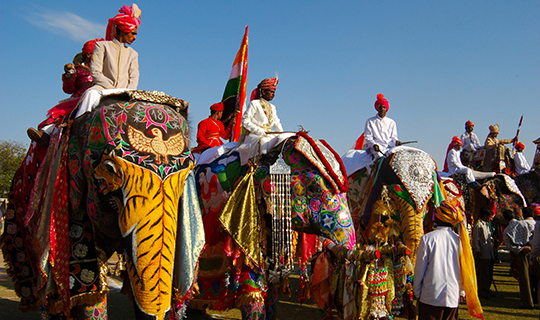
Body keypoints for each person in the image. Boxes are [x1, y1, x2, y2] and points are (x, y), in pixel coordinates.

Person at [27, 38, 104, 146]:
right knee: (63, 114)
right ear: (88, 55)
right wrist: (68, 76)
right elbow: (69, 89)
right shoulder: (77, 70)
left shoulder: (103, 70)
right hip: (80, 98)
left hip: (100, 96)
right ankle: (46, 132)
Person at [413, 200, 483, 320]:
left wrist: (417, 291)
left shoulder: (428, 239)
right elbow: (464, 268)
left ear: (438, 218)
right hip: (452, 295)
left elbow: (420, 268)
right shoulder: (460, 241)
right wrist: (461, 291)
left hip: (431, 295)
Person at [75, 4, 141, 118]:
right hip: (102, 89)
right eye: (133, 33)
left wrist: (126, 92)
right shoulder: (102, 46)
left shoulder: (133, 53)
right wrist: (111, 89)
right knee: (91, 94)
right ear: (123, 30)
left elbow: (134, 76)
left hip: (124, 93)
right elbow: (96, 72)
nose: (135, 37)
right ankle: (79, 128)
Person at [237, 77, 289, 164]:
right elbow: (245, 120)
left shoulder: (273, 107)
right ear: (264, 92)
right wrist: (258, 130)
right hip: (254, 134)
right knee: (264, 142)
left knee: (281, 141)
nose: (273, 94)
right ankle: (259, 165)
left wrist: (282, 134)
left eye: (274, 92)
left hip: (268, 133)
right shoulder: (254, 103)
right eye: (271, 92)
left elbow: (276, 122)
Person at [503, 207, 536, 309]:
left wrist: (520, 249)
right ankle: (536, 298)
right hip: (532, 250)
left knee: (524, 278)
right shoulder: (524, 224)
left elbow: (508, 246)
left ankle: (528, 302)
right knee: (535, 276)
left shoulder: (507, 230)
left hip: (521, 252)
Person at [363, 93, 401, 158]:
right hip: (376, 147)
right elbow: (368, 136)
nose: (382, 109)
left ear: (386, 109)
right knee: (379, 157)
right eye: (380, 107)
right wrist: (374, 144)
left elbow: (394, 136)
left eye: (384, 107)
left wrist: (396, 141)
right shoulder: (370, 121)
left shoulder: (392, 122)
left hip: (390, 146)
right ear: (377, 109)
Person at [472, 207, 496, 299]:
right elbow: (476, 239)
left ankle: (487, 289)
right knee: (483, 273)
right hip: (482, 253)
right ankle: (482, 290)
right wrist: (477, 250)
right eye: (489, 217)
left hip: (489, 252)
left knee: (489, 272)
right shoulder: (479, 225)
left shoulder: (487, 225)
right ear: (485, 216)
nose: (490, 219)